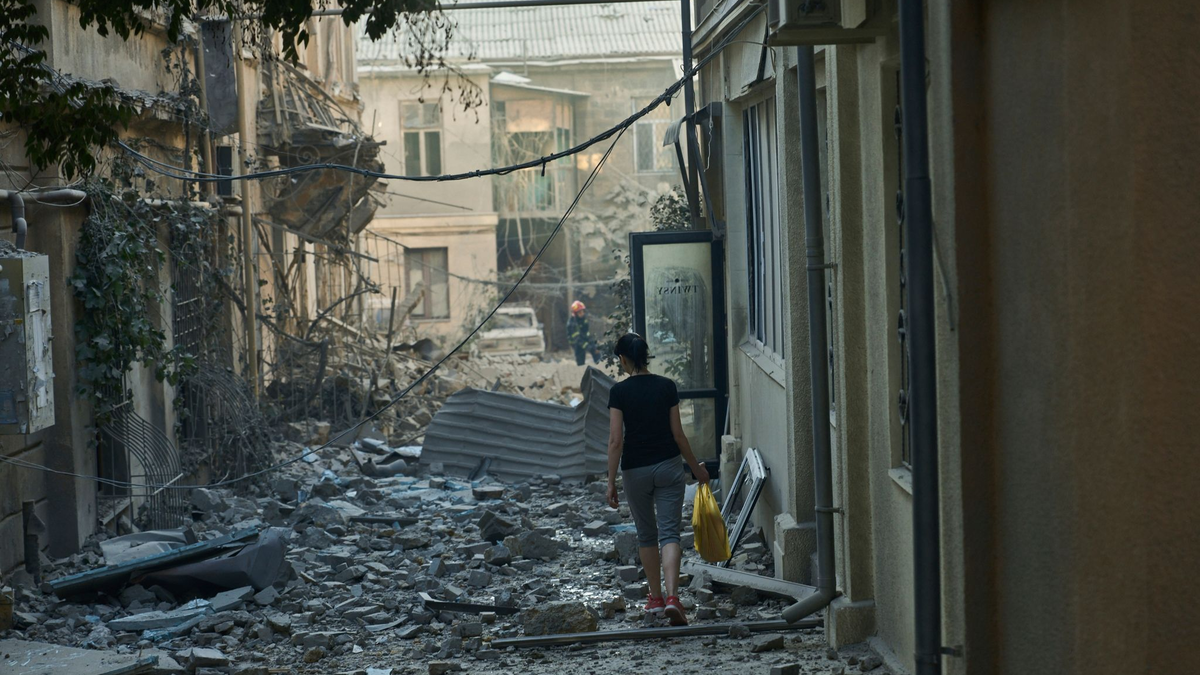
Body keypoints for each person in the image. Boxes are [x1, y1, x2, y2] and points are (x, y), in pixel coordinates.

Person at [605, 332, 710, 626]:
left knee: (647, 535)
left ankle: (655, 599)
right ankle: (674, 597)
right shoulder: (666, 387)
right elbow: (678, 435)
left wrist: (610, 481)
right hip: (668, 467)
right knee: (670, 534)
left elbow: (616, 441)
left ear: (624, 359)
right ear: (646, 356)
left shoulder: (619, 393)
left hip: (635, 470)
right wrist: (696, 469)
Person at [566, 300, 601, 366]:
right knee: (580, 357)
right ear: (575, 313)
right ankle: (581, 367)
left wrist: (594, 345)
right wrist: (588, 347)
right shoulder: (572, 323)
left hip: (584, 338)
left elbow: (589, 332)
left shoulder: (584, 319)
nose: (582, 313)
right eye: (579, 312)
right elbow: (577, 339)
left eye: (582, 311)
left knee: (596, 350)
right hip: (576, 343)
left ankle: (600, 364)